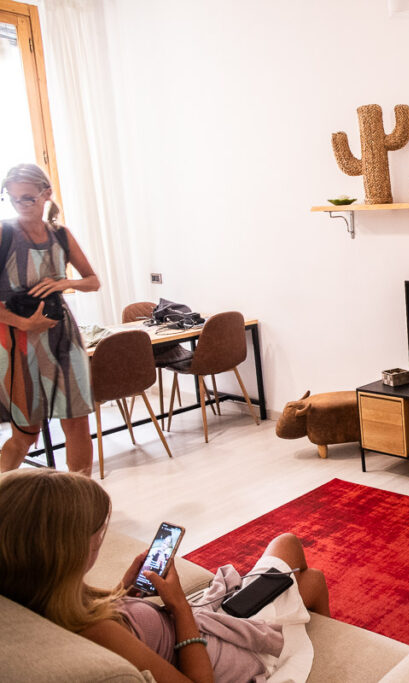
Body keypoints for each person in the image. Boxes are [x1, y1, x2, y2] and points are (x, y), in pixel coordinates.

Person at [0, 469, 330, 682]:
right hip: (217, 649)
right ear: (67, 552)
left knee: (304, 576)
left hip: (203, 625)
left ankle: (318, 631)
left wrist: (124, 590)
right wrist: (179, 606)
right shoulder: (100, 633)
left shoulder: (37, 592)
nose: (101, 536)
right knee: (294, 555)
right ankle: (328, 648)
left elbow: (119, 620)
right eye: (97, 534)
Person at [0, 163, 99, 474]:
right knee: (25, 433)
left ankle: (81, 503)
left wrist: (64, 282)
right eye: (13, 198)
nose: (20, 205)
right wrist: (25, 324)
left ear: (46, 194)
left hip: (63, 338)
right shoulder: (4, 233)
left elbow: (92, 281)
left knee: (78, 424)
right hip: (17, 340)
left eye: (27, 198)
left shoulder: (61, 235)